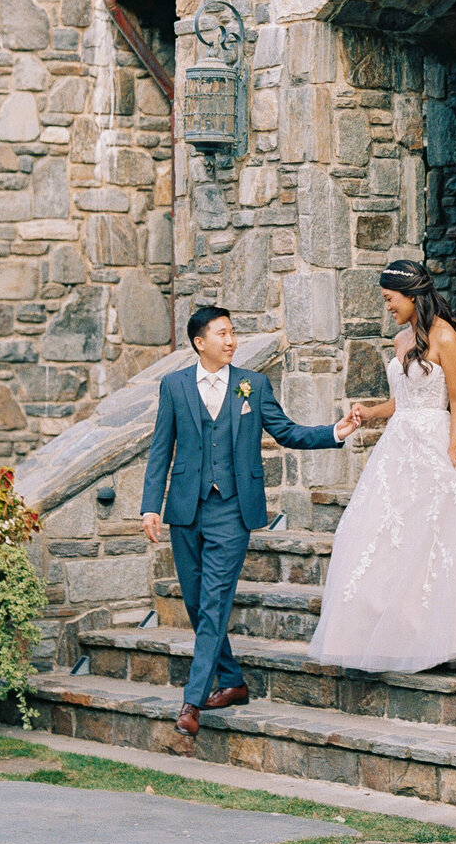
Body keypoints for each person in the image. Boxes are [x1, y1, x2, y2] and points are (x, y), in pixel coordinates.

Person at [307, 260, 456, 673]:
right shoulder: (400, 340)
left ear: (412, 296)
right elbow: (402, 401)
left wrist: (452, 448)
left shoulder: (445, 336)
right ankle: (399, 635)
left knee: (441, 532)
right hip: (398, 446)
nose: (388, 307)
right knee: (382, 533)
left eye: (391, 300)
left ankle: (449, 637)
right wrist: (369, 412)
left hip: (434, 440)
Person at [142, 305, 359, 738]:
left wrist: (333, 432)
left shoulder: (252, 384)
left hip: (232, 510)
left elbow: (287, 432)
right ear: (199, 342)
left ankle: (191, 702)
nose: (231, 340)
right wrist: (151, 505)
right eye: (221, 334)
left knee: (215, 601)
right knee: (196, 603)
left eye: (233, 332)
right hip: (185, 510)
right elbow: (160, 448)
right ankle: (235, 682)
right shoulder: (174, 385)